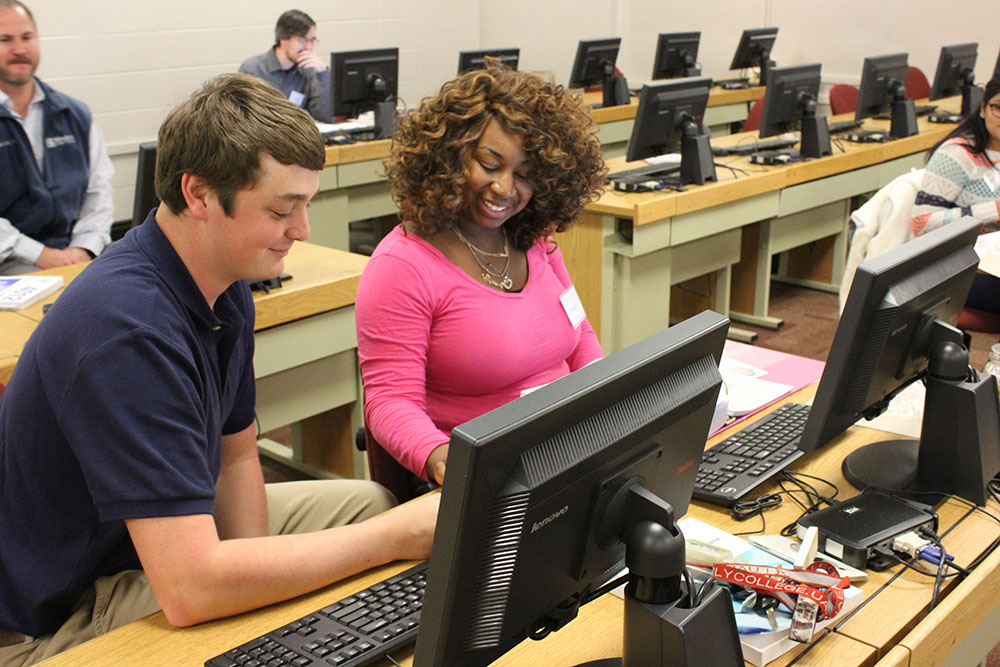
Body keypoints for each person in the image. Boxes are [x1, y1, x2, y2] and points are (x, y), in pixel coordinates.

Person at [0, 73, 438, 666]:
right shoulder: (125, 330)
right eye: (283, 209)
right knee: (390, 533)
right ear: (200, 195)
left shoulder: (223, 283)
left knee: (371, 504)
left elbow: (235, 459)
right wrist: (393, 541)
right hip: (56, 617)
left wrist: (264, 598)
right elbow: (189, 589)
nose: (302, 231)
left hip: (139, 547)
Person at [355, 60, 606, 486]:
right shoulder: (402, 267)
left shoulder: (534, 239)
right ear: (450, 158)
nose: (506, 189)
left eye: (525, 175)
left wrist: (608, 409)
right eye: (490, 166)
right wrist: (439, 457)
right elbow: (390, 401)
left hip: (562, 450)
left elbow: (580, 337)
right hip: (483, 473)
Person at [0, 0, 113, 275]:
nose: (19, 50)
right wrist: (41, 255)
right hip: (9, 264)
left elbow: (99, 193)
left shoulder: (73, 113)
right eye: (5, 40)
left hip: (75, 257)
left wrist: (84, 248)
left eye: (27, 38)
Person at [911, 75, 1000, 313]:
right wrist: (994, 210)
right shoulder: (958, 155)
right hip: (957, 267)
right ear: (983, 109)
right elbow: (922, 223)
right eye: (998, 108)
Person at [238, 9, 331, 122]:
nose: (309, 47)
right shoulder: (252, 69)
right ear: (283, 38)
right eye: (302, 40)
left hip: (297, 136)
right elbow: (243, 119)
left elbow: (325, 116)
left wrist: (323, 74)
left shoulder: (308, 70)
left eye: (312, 40)